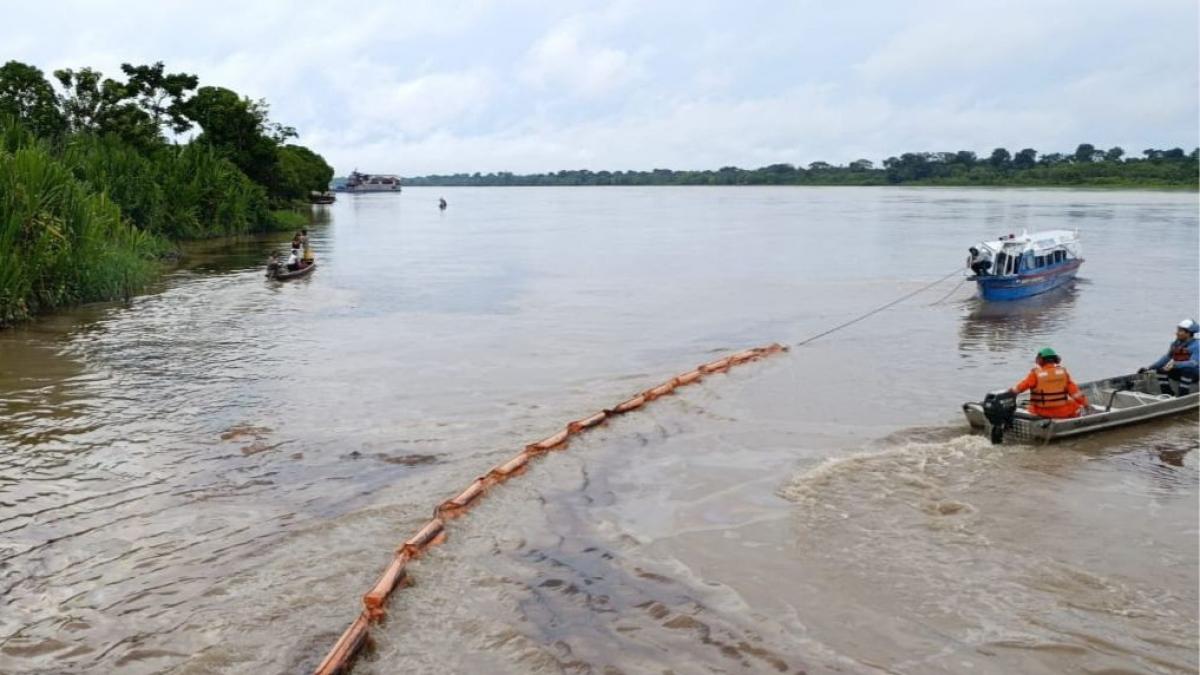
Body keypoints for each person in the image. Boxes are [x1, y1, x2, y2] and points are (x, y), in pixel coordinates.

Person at [1009, 347, 1089, 418]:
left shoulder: (1035, 375)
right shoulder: (1063, 374)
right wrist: (1086, 405)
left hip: (1041, 412)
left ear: (1040, 360)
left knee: (1029, 406)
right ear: (1056, 360)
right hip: (1062, 412)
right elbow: (1076, 394)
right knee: (1075, 405)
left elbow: (1018, 389)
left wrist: (1009, 392)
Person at [1139, 319, 1199, 396]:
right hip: (1179, 371)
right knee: (1160, 370)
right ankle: (1167, 393)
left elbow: (1194, 363)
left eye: (1180, 331)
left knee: (1188, 370)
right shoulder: (1175, 344)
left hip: (1194, 374)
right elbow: (1166, 358)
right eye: (1178, 330)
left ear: (1188, 333)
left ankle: (1183, 395)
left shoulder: (1196, 345)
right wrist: (1149, 368)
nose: (1177, 333)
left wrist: (1175, 364)